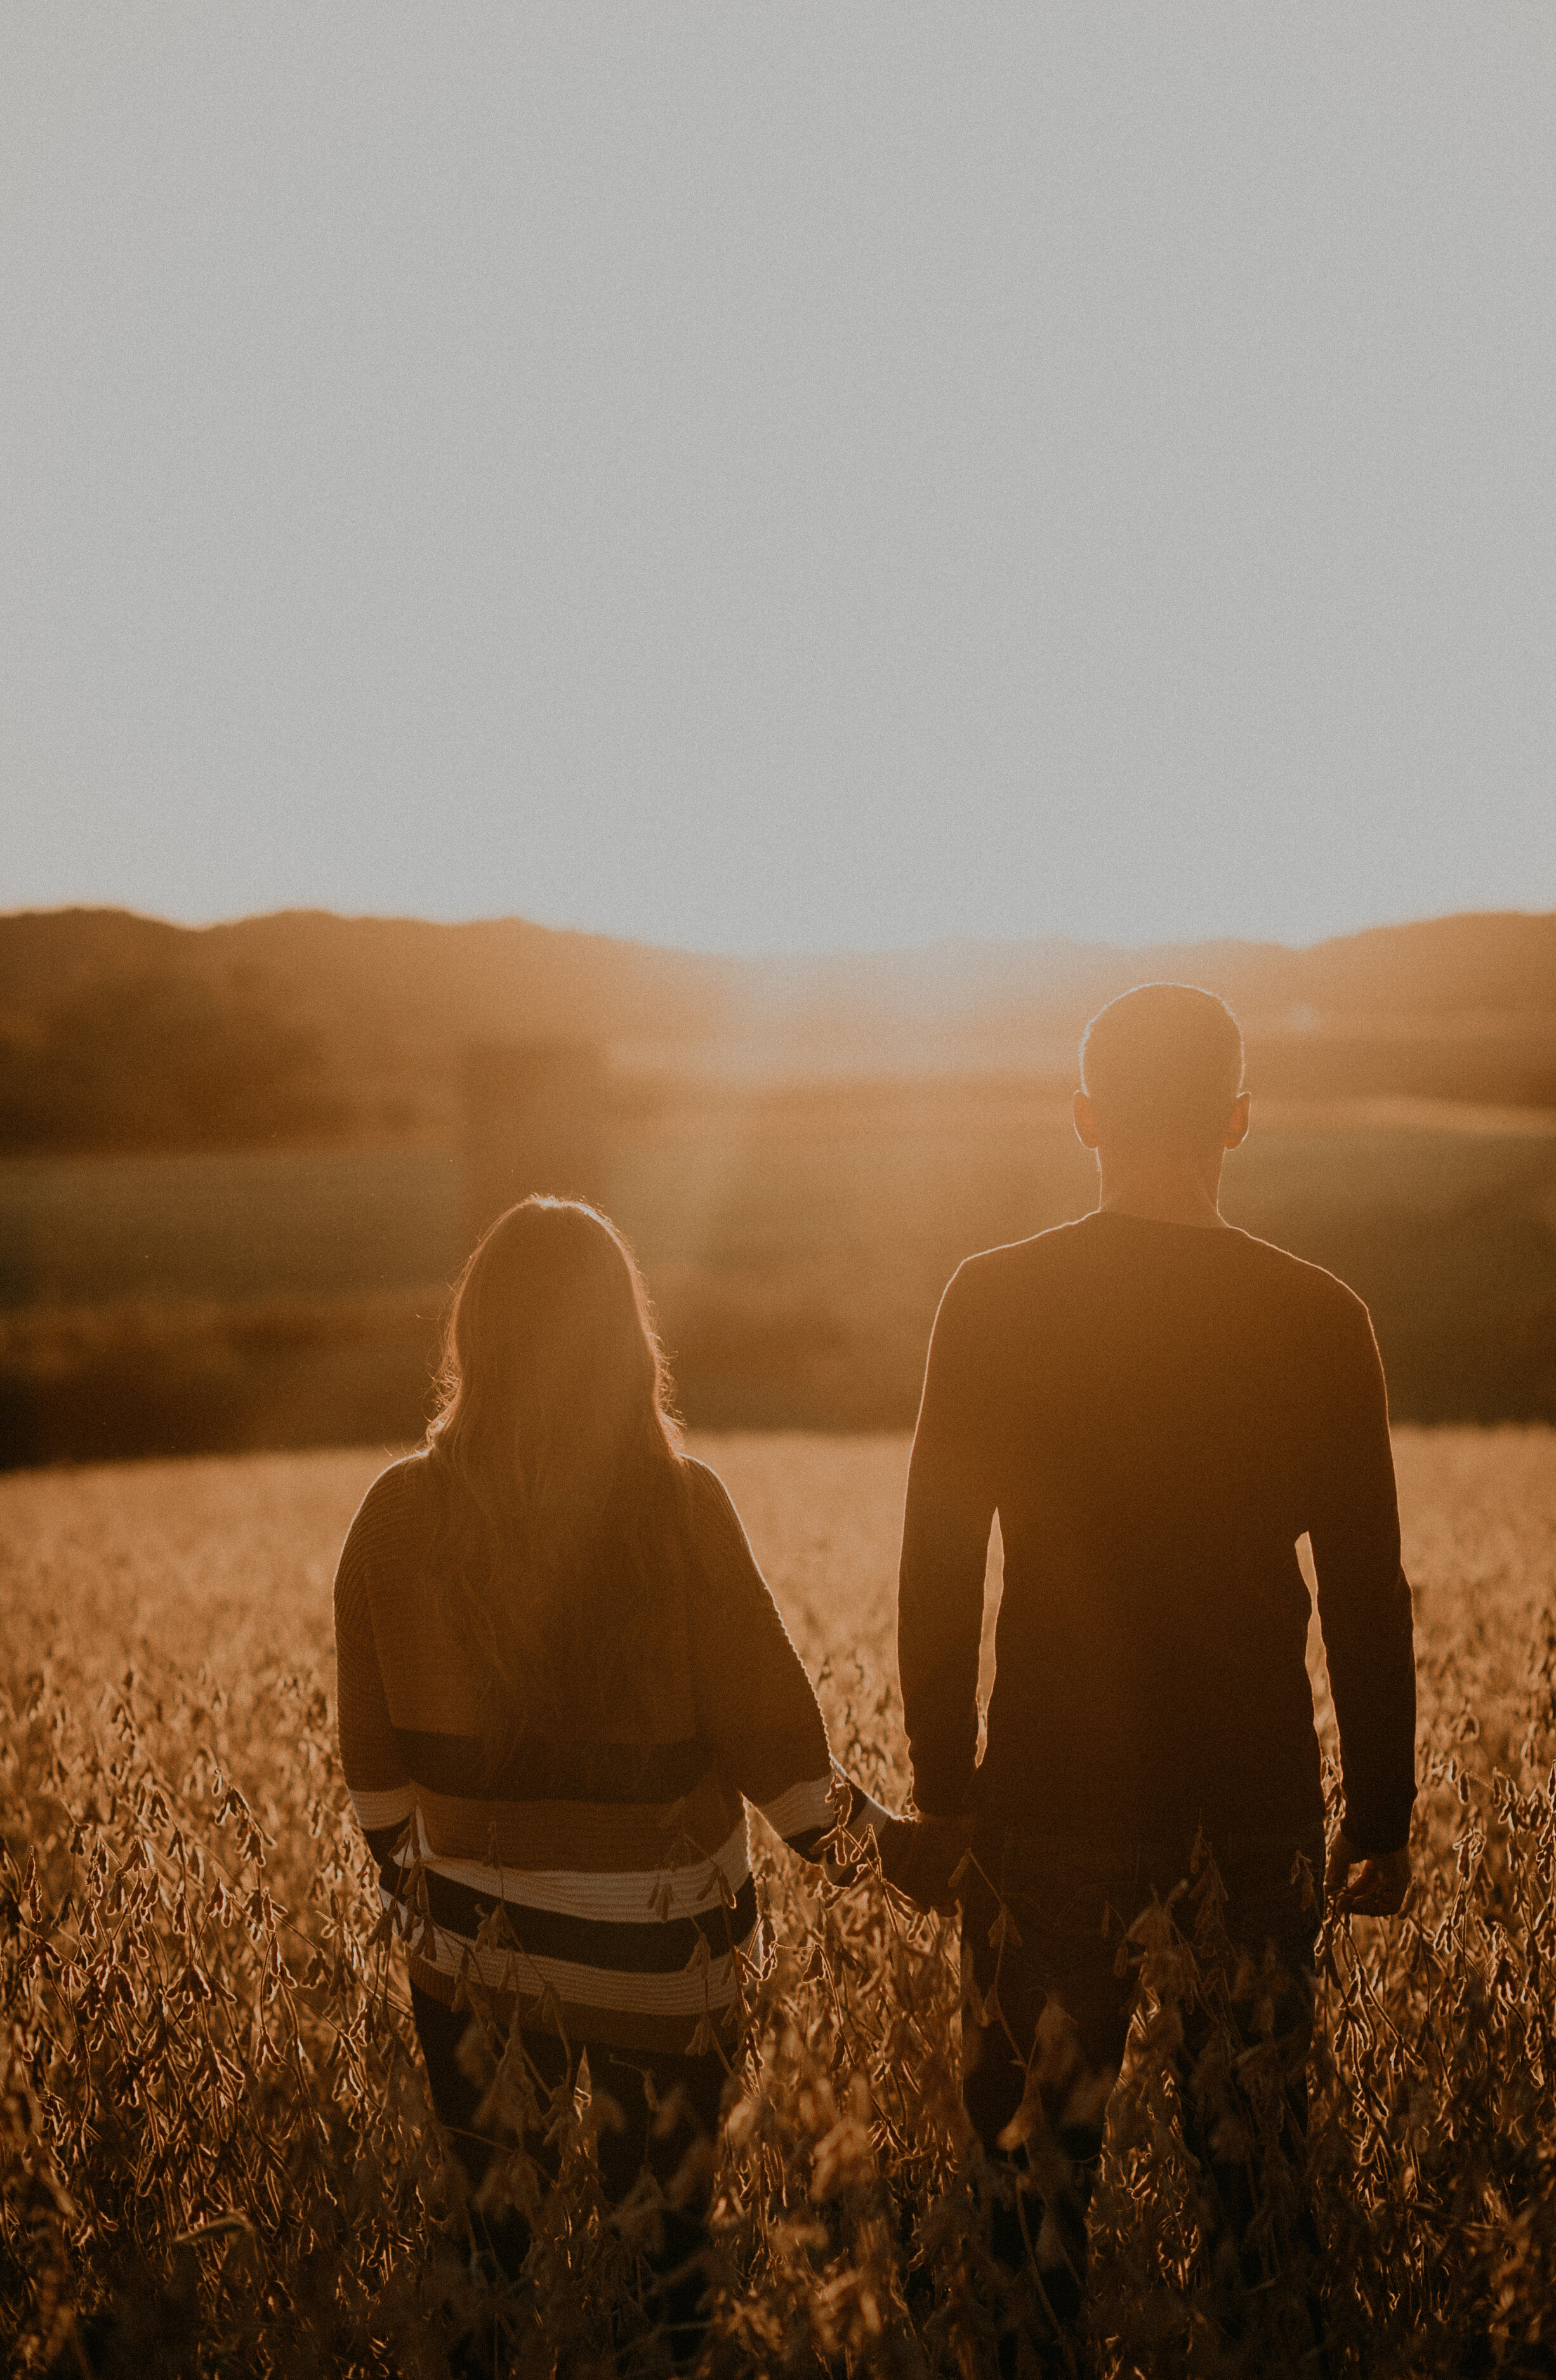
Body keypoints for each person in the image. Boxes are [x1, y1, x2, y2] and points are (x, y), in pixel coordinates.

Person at [895, 981, 1416, 2364]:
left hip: (1048, 1800)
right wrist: (1378, 1818)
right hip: (1253, 1806)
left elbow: (937, 1573)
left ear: (1082, 1119)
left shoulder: (992, 1298)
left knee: (1027, 2191)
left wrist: (944, 1795)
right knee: (1254, 2183)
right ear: (1238, 1120)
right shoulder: (1319, 1316)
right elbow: (1366, 1591)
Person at [333, 1196, 886, 2348]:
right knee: (666, 2273)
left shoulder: (393, 1513)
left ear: (472, 1341)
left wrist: (452, 1897)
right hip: (667, 1970)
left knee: (491, 2264)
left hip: (472, 1963)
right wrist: (892, 1855)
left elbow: (377, 1785)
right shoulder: (681, 1509)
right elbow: (785, 1763)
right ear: (628, 1343)